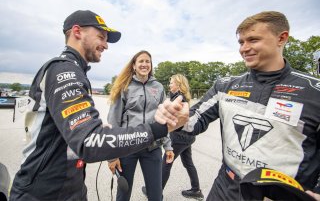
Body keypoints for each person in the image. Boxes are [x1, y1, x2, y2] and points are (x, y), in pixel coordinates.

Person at [9, 10, 188, 201]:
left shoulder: (76, 71)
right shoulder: (64, 71)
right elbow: (90, 141)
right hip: (43, 191)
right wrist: (161, 128)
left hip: (71, 184)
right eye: (101, 37)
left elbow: (76, 131)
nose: (105, 45)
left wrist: (94, 128)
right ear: (77, 32)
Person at [155, 11, 320, 200]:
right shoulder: (225, 85)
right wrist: (179, 119)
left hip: (284, 194)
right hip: (226, 188)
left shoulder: (314, 92)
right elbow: (195, 119)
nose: (244, 48)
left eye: (253, 40)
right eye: (241, 42)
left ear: (281, 38)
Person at [107, 50, 174, 201]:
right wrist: (112, 156)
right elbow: (113, 121)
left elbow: (164, 118)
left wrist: (168, 146)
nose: (144, 64)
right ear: (134, 66)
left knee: (156, 194)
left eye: (147, 61)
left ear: (151, 65)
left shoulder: (158, 87)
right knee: (124, 192)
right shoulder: (124, 86)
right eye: (141, 61)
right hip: (128, 147)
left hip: (153, 146)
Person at [161, 74, 204, 199]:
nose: (169, 85)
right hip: (188, 137)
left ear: (179, 85)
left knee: (166, 163)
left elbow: (172, 119)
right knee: (188, 163)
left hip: (179, 137)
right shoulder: (181, 97)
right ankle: (196, 190)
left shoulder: (179, 99)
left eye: (171, 83)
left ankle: (156, 191)